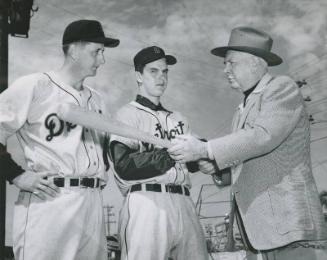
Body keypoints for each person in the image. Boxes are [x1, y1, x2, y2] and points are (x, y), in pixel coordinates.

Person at [168, 26, 327, 259]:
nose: (225, 70)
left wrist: (206, 148)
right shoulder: (241, 109)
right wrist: (218, 169)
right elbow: (249, 160)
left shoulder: (282, 88)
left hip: (288, 226)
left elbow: (262, 136)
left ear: (254, 62)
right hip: (257, 231)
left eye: (231, 63)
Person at [0, 19, 119, 260]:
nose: (102, 60)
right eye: (96, 51)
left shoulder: (97, 100)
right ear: (74, 50)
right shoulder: (36, 85)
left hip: (93, 203)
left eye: (103, 53)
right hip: (52, 199)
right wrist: (16, 174)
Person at [109, 46, 209, 260]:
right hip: (147, 203)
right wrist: (169, 155)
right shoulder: (127, 115)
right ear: (138, 76)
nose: (161, 77)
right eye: (153, 71)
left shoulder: (178, 118)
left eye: (164, 72)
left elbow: (196, 157)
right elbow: (124, 165)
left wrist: (206, 159)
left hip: (184, 202)